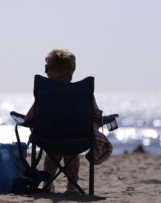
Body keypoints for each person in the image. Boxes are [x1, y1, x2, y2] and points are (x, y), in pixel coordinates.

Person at [24, 49, 113, 193]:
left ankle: (48, 184)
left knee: (52, 152)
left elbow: (29, 118)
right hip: (78, 138)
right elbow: (95, 115)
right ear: (70, 71)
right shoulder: (83, 91)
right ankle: (72, 187)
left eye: (47, 68)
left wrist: (25, 122)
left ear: (55, 72)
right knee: (72, 152)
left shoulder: (45, 91)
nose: (45, 71)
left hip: (49, 138)